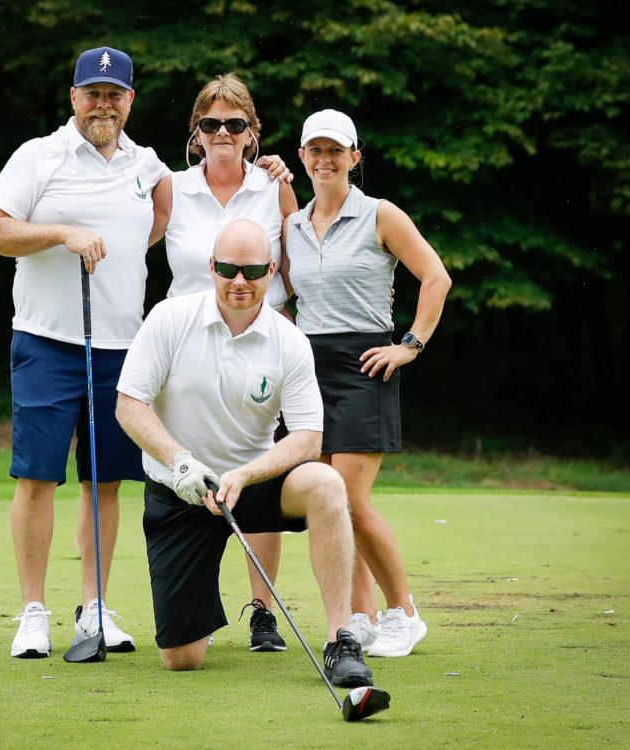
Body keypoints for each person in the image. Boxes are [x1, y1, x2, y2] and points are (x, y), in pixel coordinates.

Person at [115, 219, 374, 687]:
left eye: (253, 270)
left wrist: (245, 475)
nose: (240, 281)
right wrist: (181, 461)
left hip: (251, 483)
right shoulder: (170, 318)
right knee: (182, 658)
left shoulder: (288, 340)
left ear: (271, 271)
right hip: (181, 489)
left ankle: (342, 637)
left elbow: (308, 437)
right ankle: (198, 614)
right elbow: (129, 405)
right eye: (229, 268)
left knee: (327, 483)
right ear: (211, 267)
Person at [0, 46, 170, 659]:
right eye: (92, 93)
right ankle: (34, 611)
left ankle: (96, 608)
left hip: (123, 346)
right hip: (46, 340)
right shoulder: (39, 156)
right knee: (37, 477)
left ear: (130, 100)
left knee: (105, 481)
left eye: (114, 95)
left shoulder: (148, 166)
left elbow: (160, 221)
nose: (102, 105)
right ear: (74, 97)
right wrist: (62, 233)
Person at [283, 109, 452, 657]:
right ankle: (362, 617)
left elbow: (436, 276)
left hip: (365, 364)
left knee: (352, 500)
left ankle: (405, 614)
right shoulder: (294, 224)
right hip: (308, 370)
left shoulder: (381, 214)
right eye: (316, 150)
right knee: (328, 505)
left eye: (337, 150)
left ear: (355, 158)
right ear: (304, 157)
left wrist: (410, 345)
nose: (325, 159)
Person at [148, 73, 299, 652]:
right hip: (184, 346)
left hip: (260, 344)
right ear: (196, 132)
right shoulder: (171, 187)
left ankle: (263, 612)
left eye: (235, 125)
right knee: (186, 470)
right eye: (210, 124)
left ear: (252, 133)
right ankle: (190, 602)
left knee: (260, 468)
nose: (222, 134)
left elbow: (294, 270)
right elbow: (139, 245)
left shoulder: (273, 187)